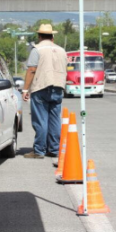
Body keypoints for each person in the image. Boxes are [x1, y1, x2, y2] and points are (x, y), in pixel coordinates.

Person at [22, 24, 67, 159]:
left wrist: (25, 89)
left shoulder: (37, 50)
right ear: (52, 37)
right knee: (54, 120)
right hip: (58, 87)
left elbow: (31, 70)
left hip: (41, 87)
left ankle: (39, 150)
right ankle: (54, 149)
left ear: (39, 36)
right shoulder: (61, 50)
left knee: (41, 120)